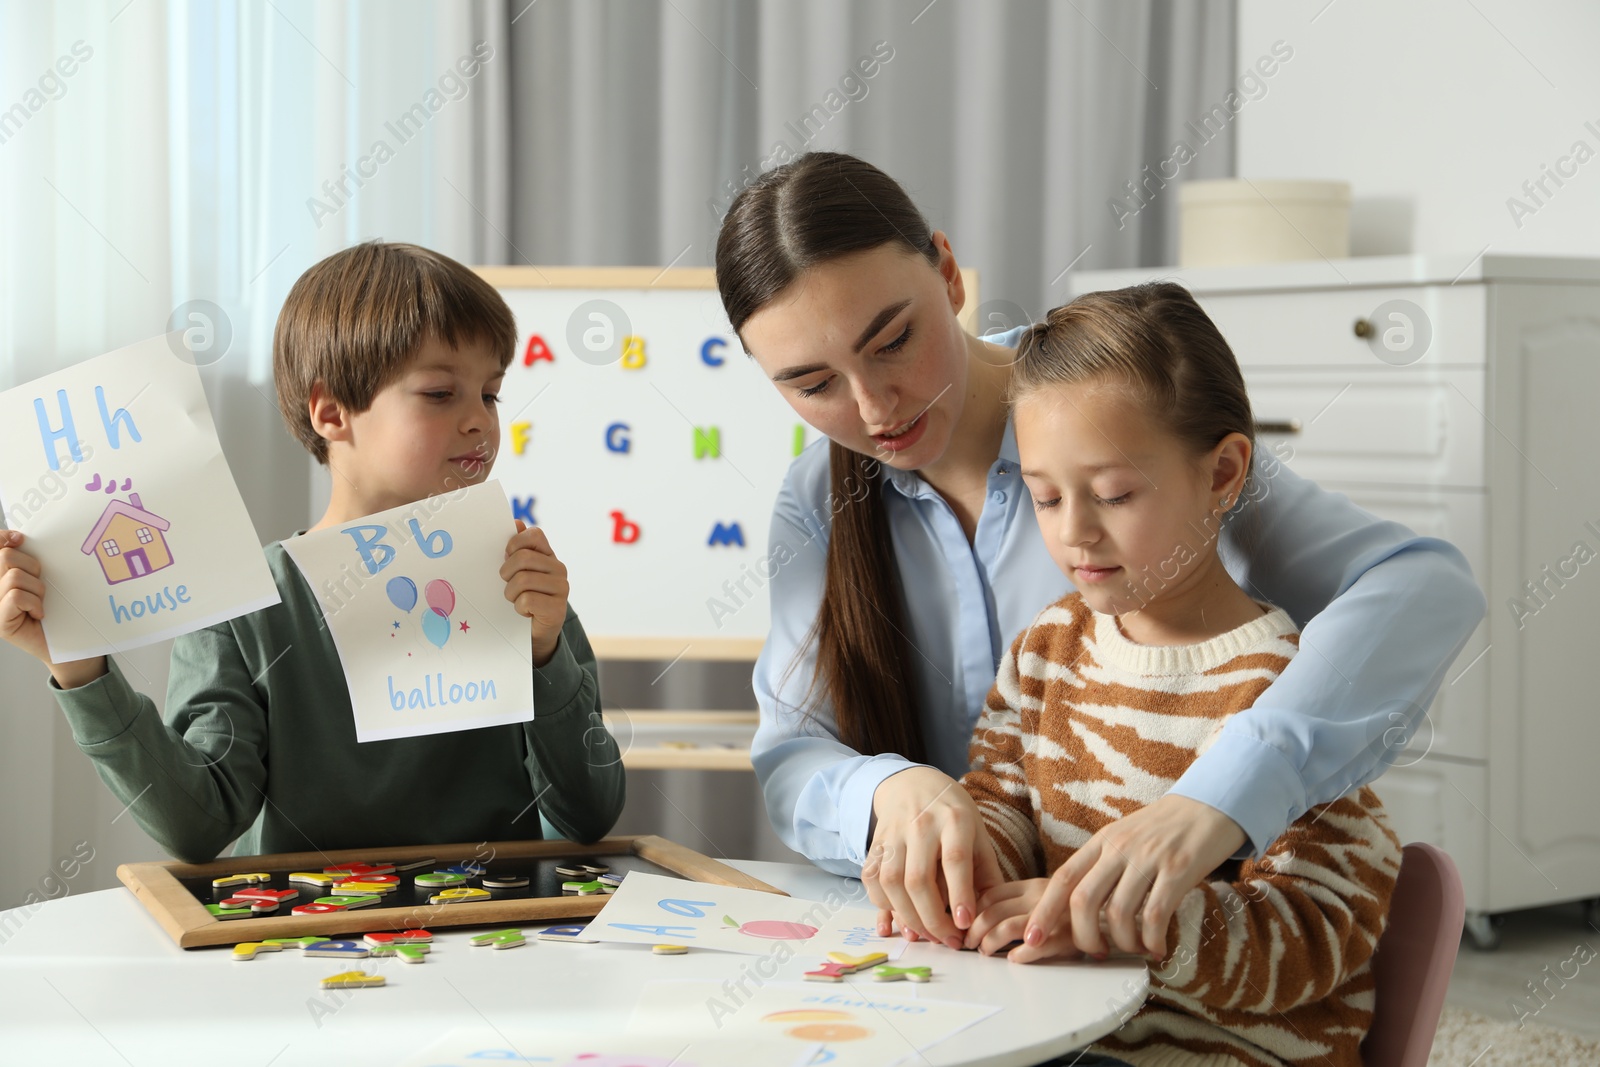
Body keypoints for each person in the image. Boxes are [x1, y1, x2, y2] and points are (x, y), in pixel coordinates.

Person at [714, 151, 1480, 958]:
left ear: (947, 273)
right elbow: (794, 755)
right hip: (979, 958)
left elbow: (1423, 587)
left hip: (1162, 956)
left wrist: (1215, 801)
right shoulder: (815, 500)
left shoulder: (1110, 408)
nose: (874, 407)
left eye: (894, 341)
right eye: (812, 384)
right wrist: (891, 790)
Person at [0, 241, 625, 863]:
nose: (480, 423)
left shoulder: (519, 585)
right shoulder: (245, 602)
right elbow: (198, 824)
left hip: (496, 933)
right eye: (440, 393)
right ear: (330, 412)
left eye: (490, 394)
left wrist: (545, 652)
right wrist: (80, 669)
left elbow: (589, 815)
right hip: (304, 947)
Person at [960, 284, 1398, 1067]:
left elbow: (1321, 927)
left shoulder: (1294, 689)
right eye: (1046, 496)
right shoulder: (1046, 647)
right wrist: (963, 863)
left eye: (1114, 494)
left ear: (1224, 473)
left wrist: (1130, 920)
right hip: (1066, 1034)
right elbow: (1001, 803)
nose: (1074, 531)